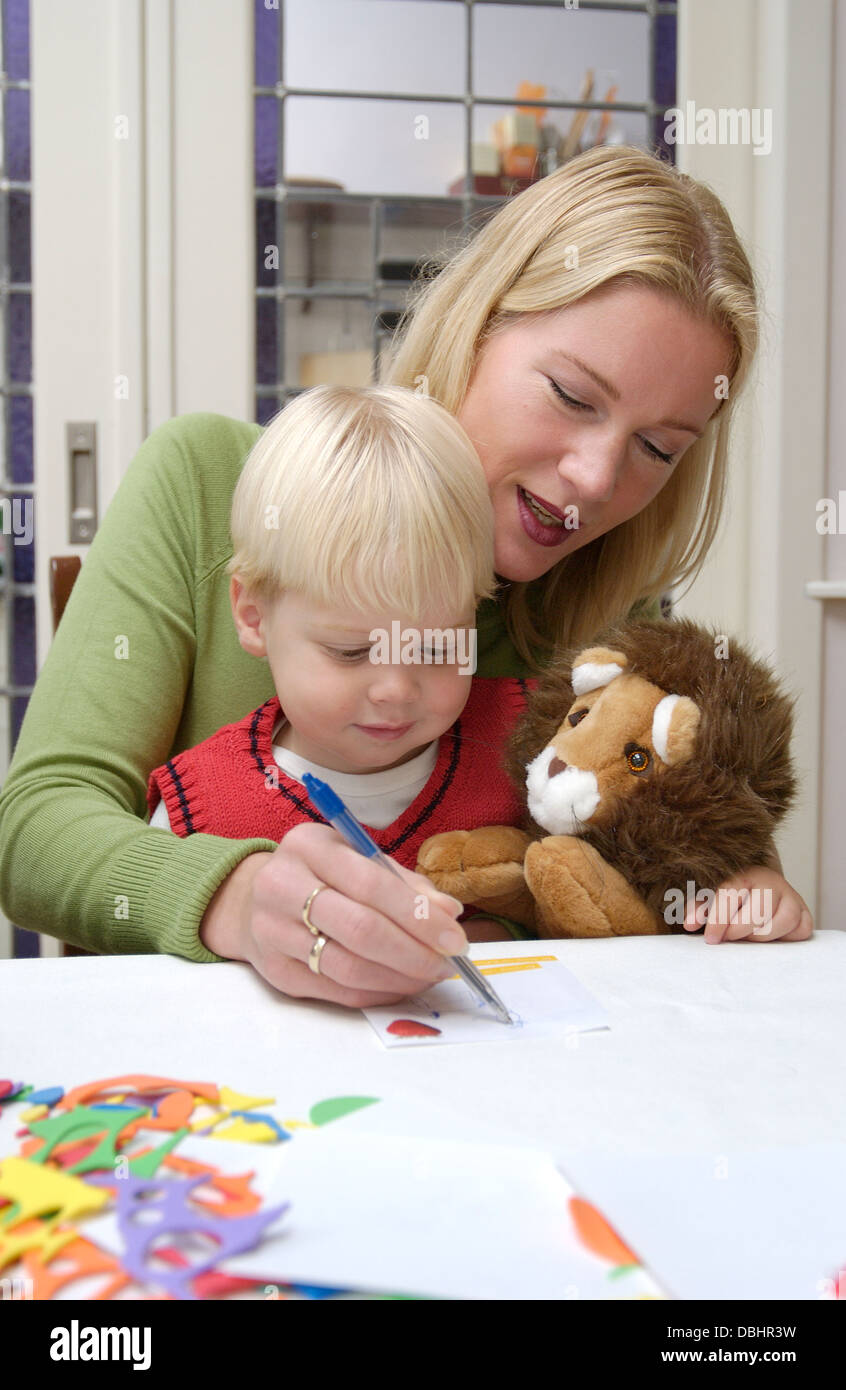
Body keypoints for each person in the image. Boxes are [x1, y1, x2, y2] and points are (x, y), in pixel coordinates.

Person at [0, 144, 812, 1010]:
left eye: (657, 447)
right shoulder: (207, 482)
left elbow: (646, 870)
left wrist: (725, 877)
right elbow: (37, 830)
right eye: (573, 396)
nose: (596, 478)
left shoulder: (612, 615)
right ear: (477, 324)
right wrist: (236, 899)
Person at [145, 383, 538, 975]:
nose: (396, 690)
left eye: (434, 647)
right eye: (351, 651)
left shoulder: (529, 747)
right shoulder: (197, 809)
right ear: (254, 617)